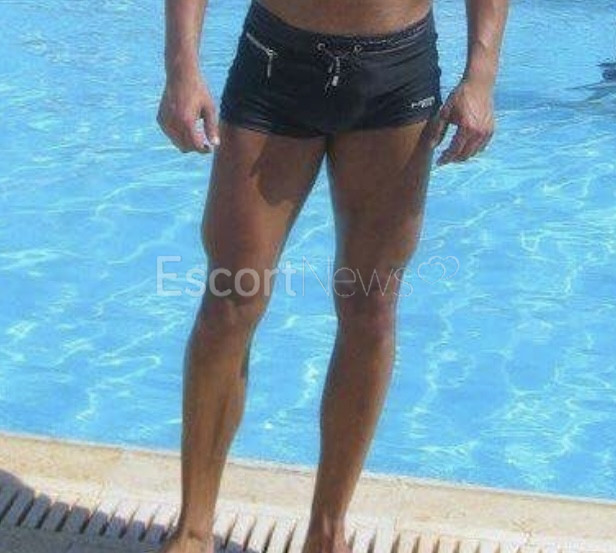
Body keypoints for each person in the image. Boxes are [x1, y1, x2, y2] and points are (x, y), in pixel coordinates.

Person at [156, 0, 508, 551]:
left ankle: (327, 533)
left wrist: (480, 76)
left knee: (370, 308)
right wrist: (182, 67)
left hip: (396, 74)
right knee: (230, 299)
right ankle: (194, 531)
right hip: (276, 60)